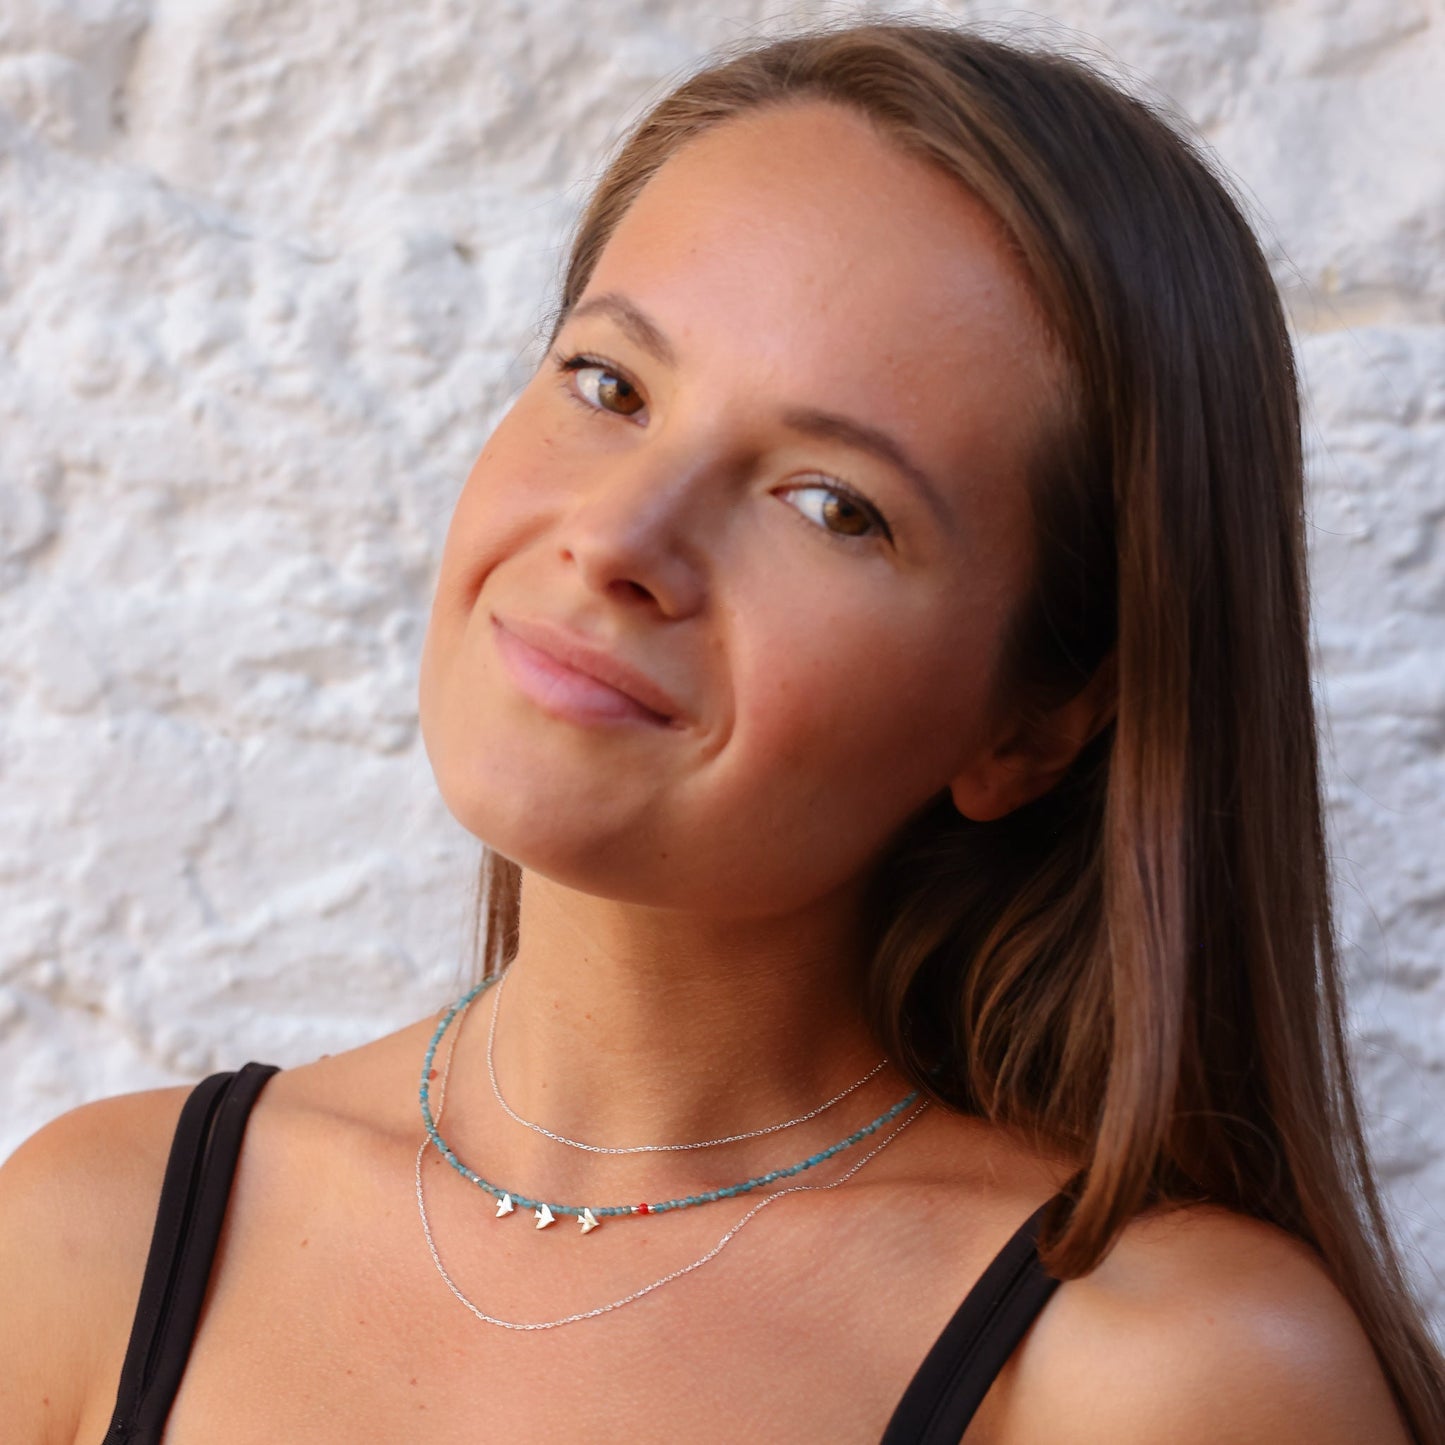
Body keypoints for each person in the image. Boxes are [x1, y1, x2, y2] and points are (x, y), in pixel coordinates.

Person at [2, 17, 1441, 1444]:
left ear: (1035, 722)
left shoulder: (1164, 1378)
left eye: (830, 503)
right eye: (608, 384)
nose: (618, 537)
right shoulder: (93, 1243)